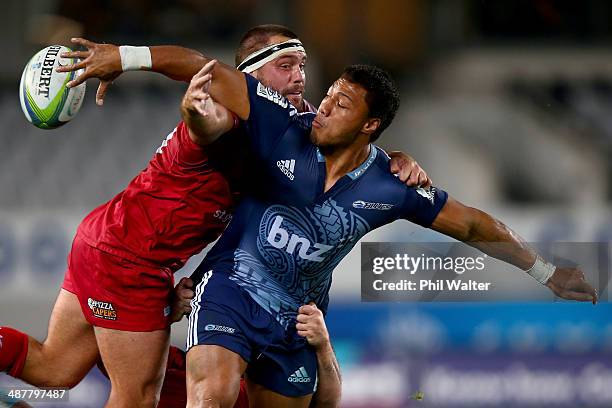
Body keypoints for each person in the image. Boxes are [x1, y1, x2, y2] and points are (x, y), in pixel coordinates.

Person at [0, 25, 426, 407]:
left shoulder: (291, 125)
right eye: (286, 65)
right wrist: (126, 58)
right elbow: (200, 83)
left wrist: (397, 159)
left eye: (302, 64)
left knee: (54, 369)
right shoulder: (222, 113)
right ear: (251, 74)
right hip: (131, 257)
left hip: (110, 238)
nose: (300, 76)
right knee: (135, 398)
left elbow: (349, 144)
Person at [178, 57, 598, 408]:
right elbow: (207, 69)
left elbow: (473, 224)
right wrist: (128, 59)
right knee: (210, 396)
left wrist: (546, 272)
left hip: (297, 318)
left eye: (340, 104)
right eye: (327, 96)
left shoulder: (392, 185)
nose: (323, 107)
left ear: (369, 124)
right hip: (231, 289)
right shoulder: (285, 128)